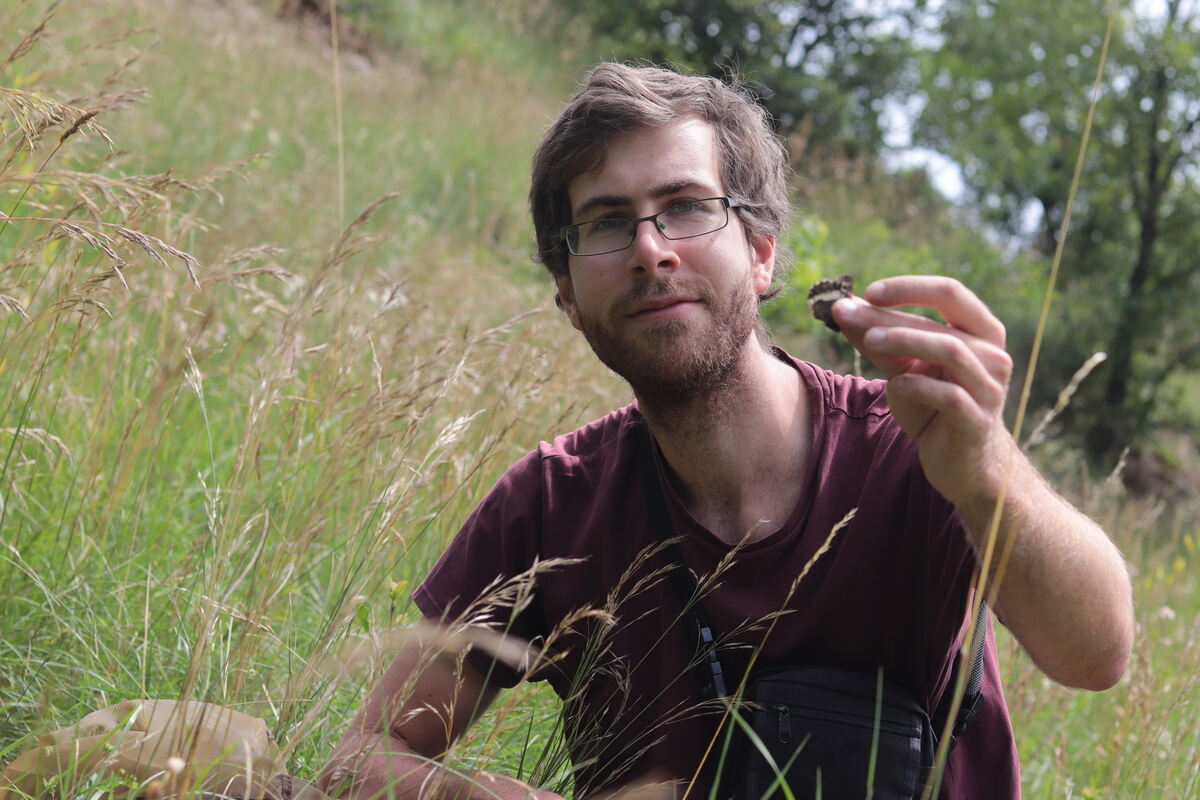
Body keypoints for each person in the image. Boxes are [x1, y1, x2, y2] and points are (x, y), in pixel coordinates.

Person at [319, 63, 1134, 800]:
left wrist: (988, 471)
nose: (650, 250)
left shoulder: (914, 448)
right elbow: (364, 757)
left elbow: (1096, 656)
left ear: (762, 253)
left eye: (686, 207)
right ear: (566, 293)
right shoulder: (552, 505)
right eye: (606, 223)